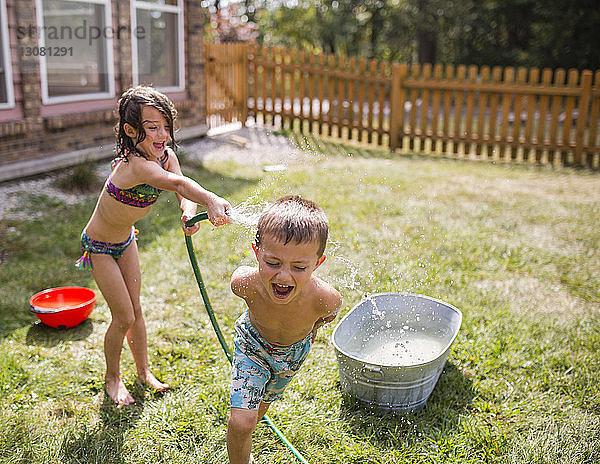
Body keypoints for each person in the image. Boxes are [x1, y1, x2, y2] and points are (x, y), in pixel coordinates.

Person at [76, 85, 231, 405]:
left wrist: (189, 213)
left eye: (165, 126)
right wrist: (211, 198)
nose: (162, 134)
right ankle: (113, 378)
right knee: (123, 317)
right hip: (100, 246)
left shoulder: (166, 156)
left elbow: (181, 192)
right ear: (132, 132)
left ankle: (143, 371)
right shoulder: (135, 165)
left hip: (126, 240)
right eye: (152, 128)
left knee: (136, 311)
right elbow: (175, 183)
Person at [228, 195, 342, 464]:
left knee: (257, 414)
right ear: (257, 253)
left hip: (292, 356)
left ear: (317, 263)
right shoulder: (244, 283)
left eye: (299, 267)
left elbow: (328, 316)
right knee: (242, 422)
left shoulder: (325, 299)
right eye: (272, 263)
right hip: (252, 345)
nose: (283, 276)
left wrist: (312, 326)